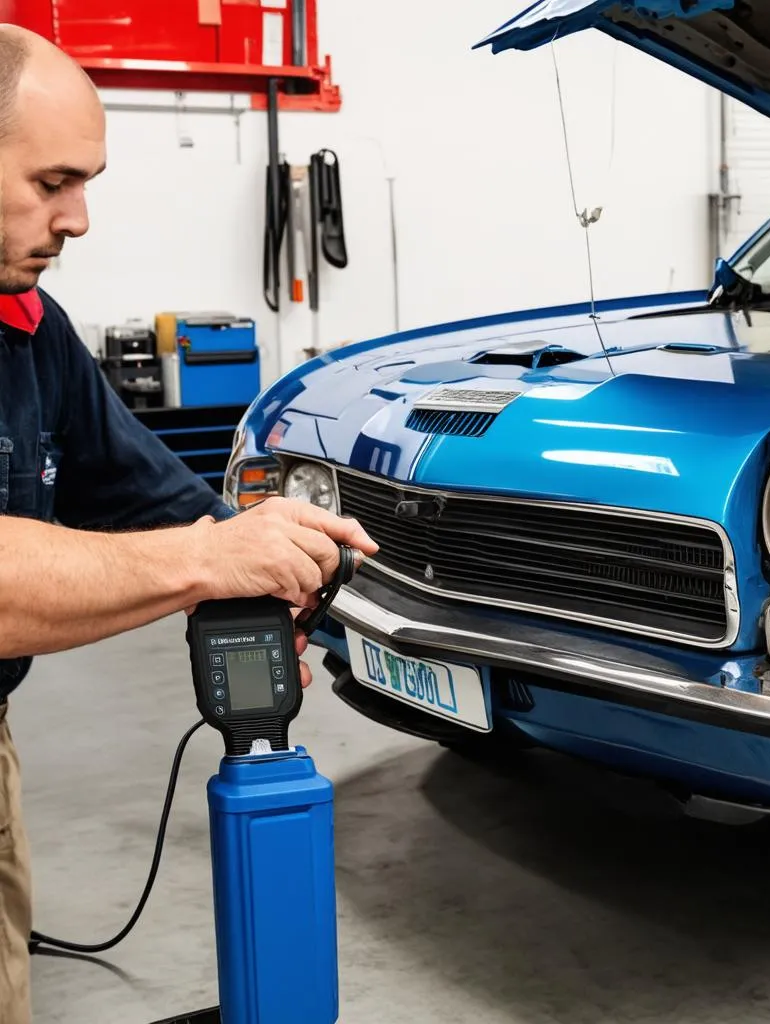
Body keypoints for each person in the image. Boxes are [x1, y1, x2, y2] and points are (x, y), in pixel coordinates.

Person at [0, 23, 378, 1024]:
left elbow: (139, 487)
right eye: (52, 183)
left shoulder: (28, 328)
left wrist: (267, 568)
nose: (78, 218)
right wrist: (205, 558)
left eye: (89, 182)